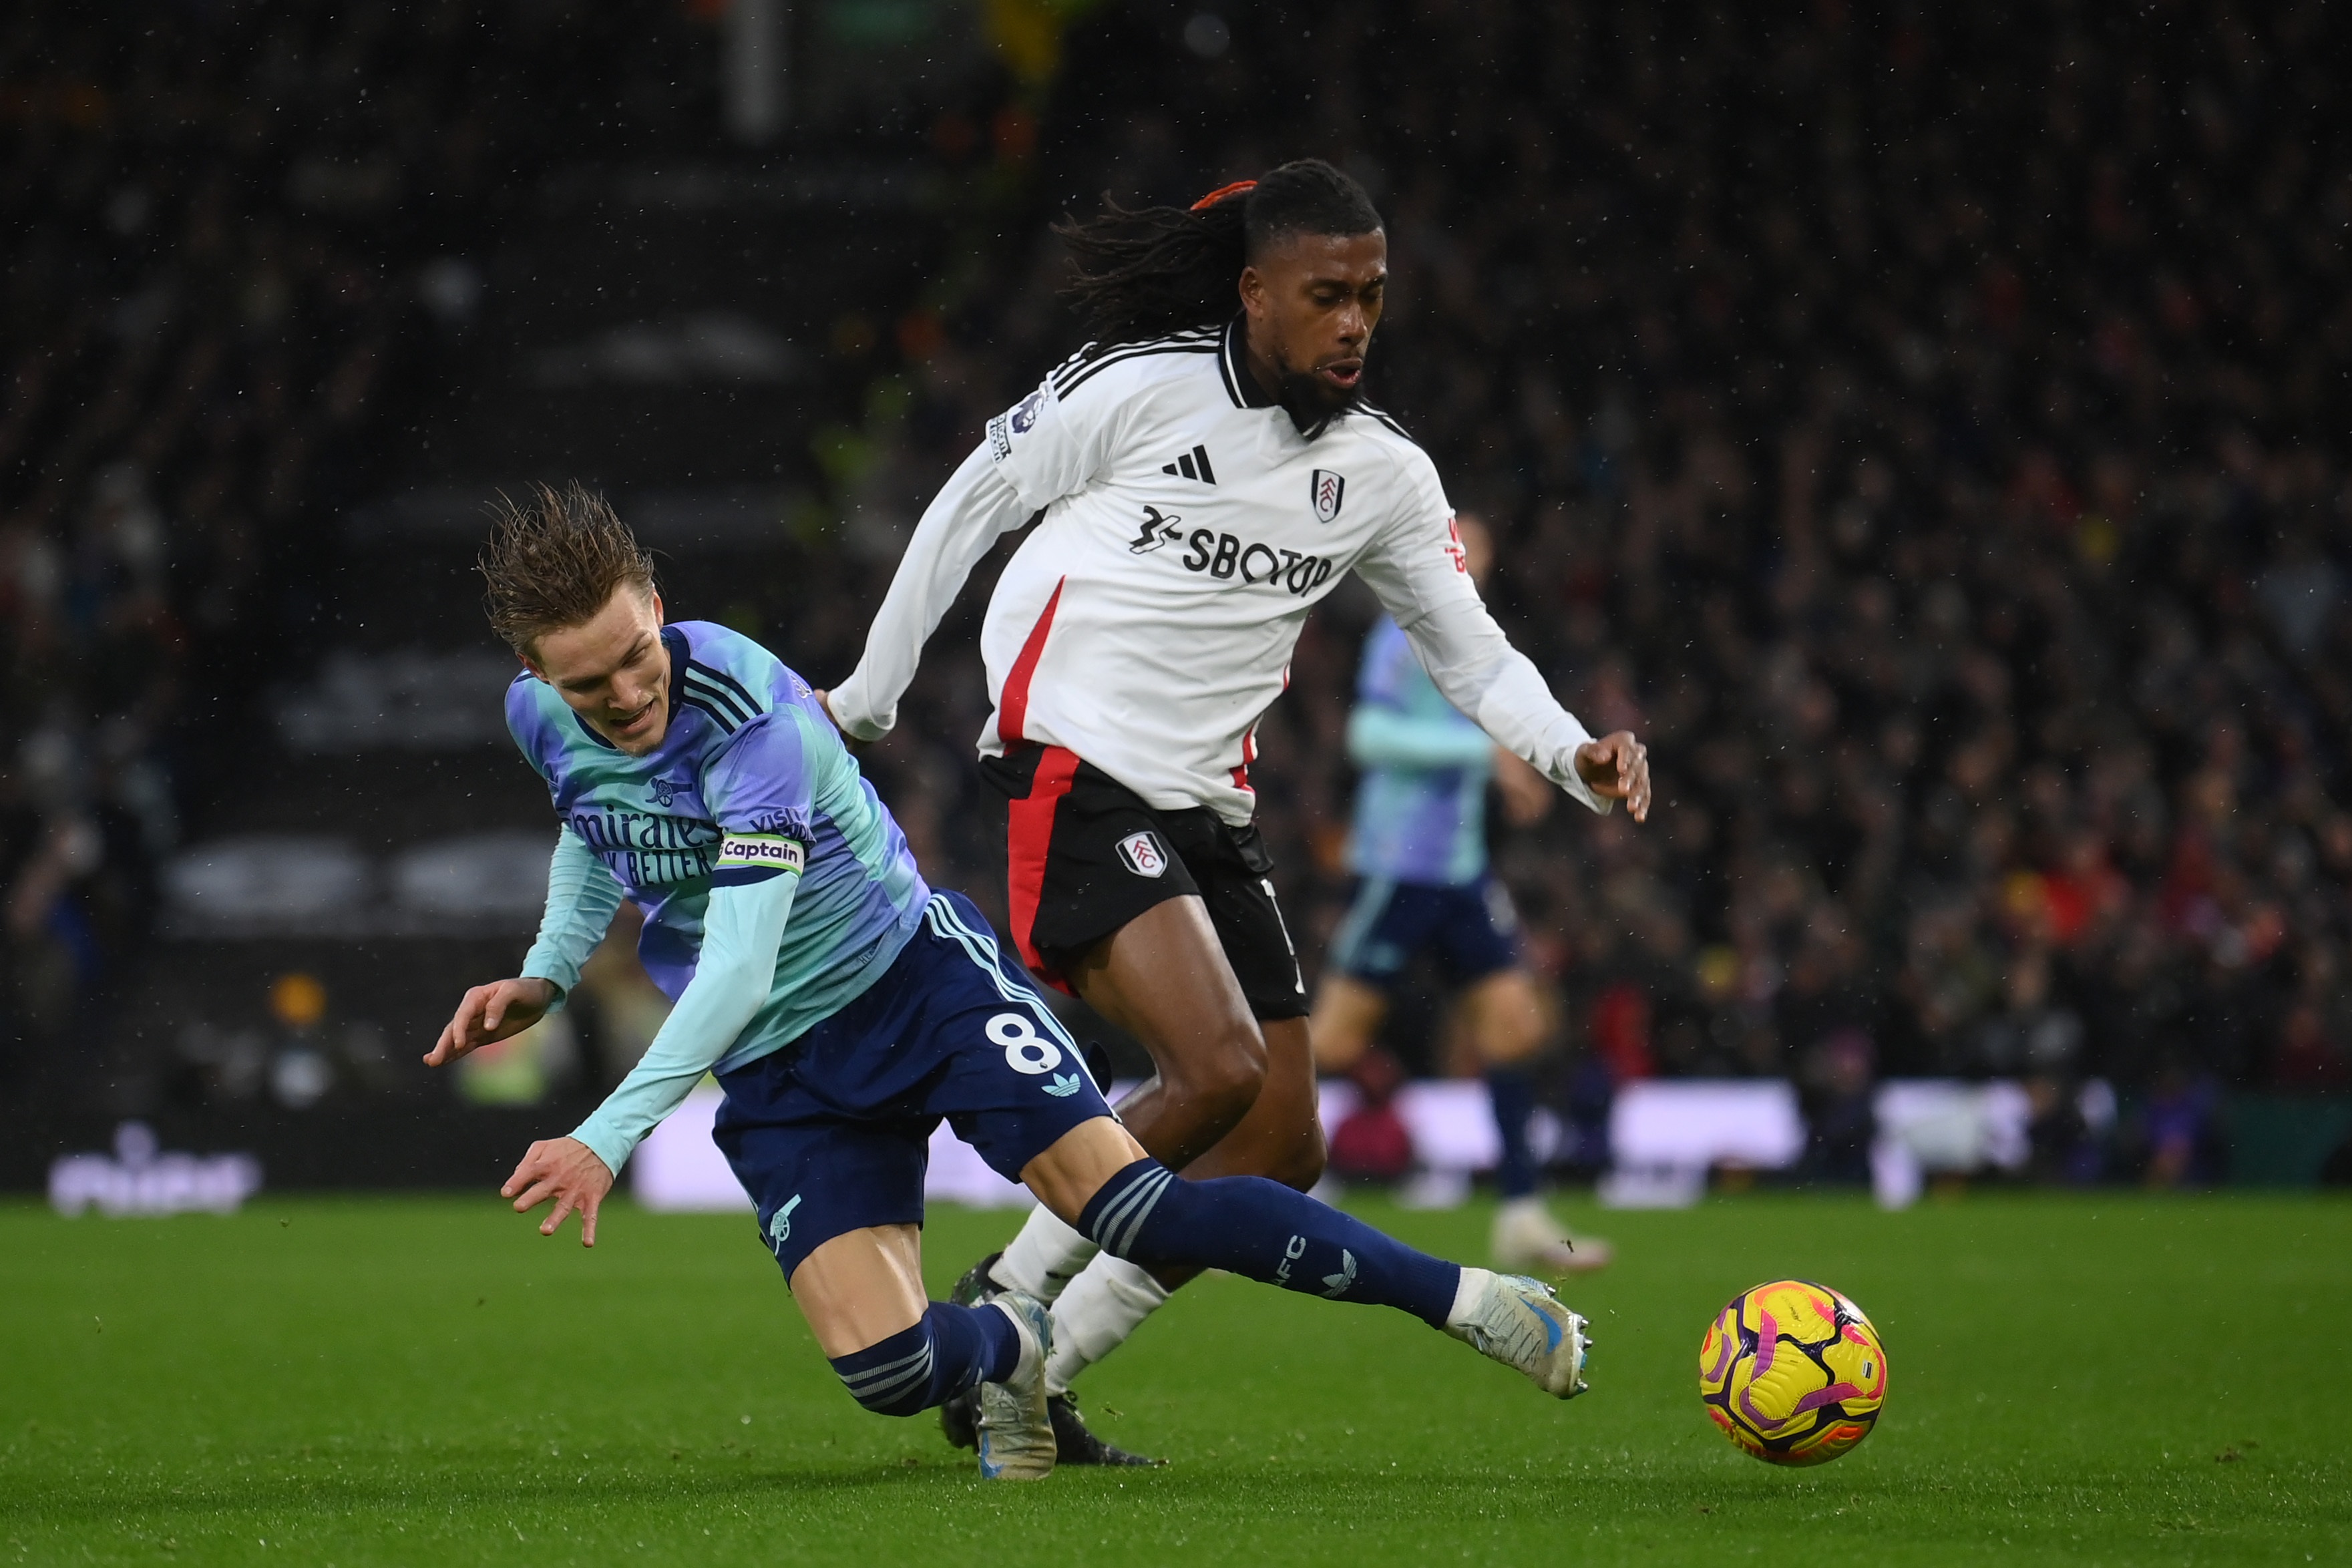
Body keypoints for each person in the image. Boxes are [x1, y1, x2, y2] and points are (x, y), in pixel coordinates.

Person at [425, 485, 1599, 1482]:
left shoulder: (753, 719)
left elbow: (736, 962)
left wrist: (608, 1130)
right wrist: (547, 968)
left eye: (637, 657)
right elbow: (595, 822)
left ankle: (1475, 1301)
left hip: (916, 987)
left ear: (658, 612)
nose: (627, 695)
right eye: (589, 685)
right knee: (887, 1374)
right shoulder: (543, 717)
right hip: (786, 1071)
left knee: (1140, 1208)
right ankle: (1013, 1350)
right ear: (535, 674)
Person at [821, 160, 1651, 1464]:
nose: (1354, 323)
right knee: (1215, 1068)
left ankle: (1040, 1366)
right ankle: (1006, 1310)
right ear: (1254, 292)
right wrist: (872, 690)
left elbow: (1472, 654)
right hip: (1074, 765)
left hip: (1209, 803)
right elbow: (975, 494)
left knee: (1282, 1135)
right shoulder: (1137, 386)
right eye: (1326, 294)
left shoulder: (1384, 474)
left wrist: (1570, 750)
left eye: (1371, 296)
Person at [1310, 514, 1612, 1271]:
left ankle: (1519, 1210)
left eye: (1478, 547)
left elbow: (1505, 729)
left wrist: (1531, 767)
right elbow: (1368, 737)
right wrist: (1485, 754)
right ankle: (1230, 1182)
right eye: (1457, 544)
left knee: (1514, 1024)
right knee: (1332, 1042)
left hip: (1462, 872)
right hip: (1398, 867)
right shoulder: (1400, 634)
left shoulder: (1476, 646)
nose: (1466, 559)